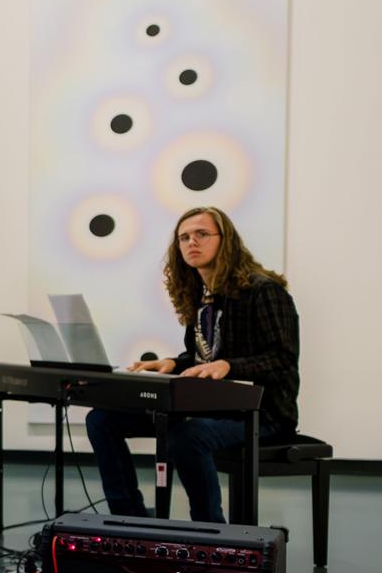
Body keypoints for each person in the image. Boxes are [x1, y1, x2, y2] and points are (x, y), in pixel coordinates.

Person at [85, 206, 299, 522]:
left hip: (264, 415)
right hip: (212, 406)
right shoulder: (201, 295)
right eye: (184, 237)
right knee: (101, 420)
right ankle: (129, 516)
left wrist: (230, 366)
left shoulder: (264, 290)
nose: (191, 242)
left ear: (226, 240)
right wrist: (171, 363)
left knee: (187, 436)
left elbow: (282, 358)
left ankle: (210, 531)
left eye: (201, 234)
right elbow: (201, 357)